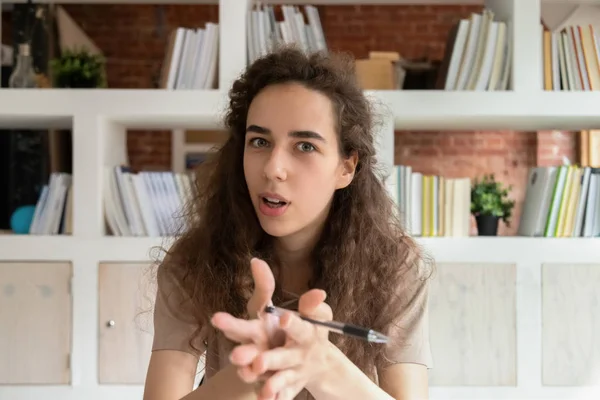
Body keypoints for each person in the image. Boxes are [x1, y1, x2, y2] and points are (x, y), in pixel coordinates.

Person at [143, 46, 433, 400]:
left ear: (346, 167)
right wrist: (252, 373)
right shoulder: (192, 261)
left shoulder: (395, 265)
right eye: (260, 141)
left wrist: (320, 363)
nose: (272, 168)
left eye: (305, 146)